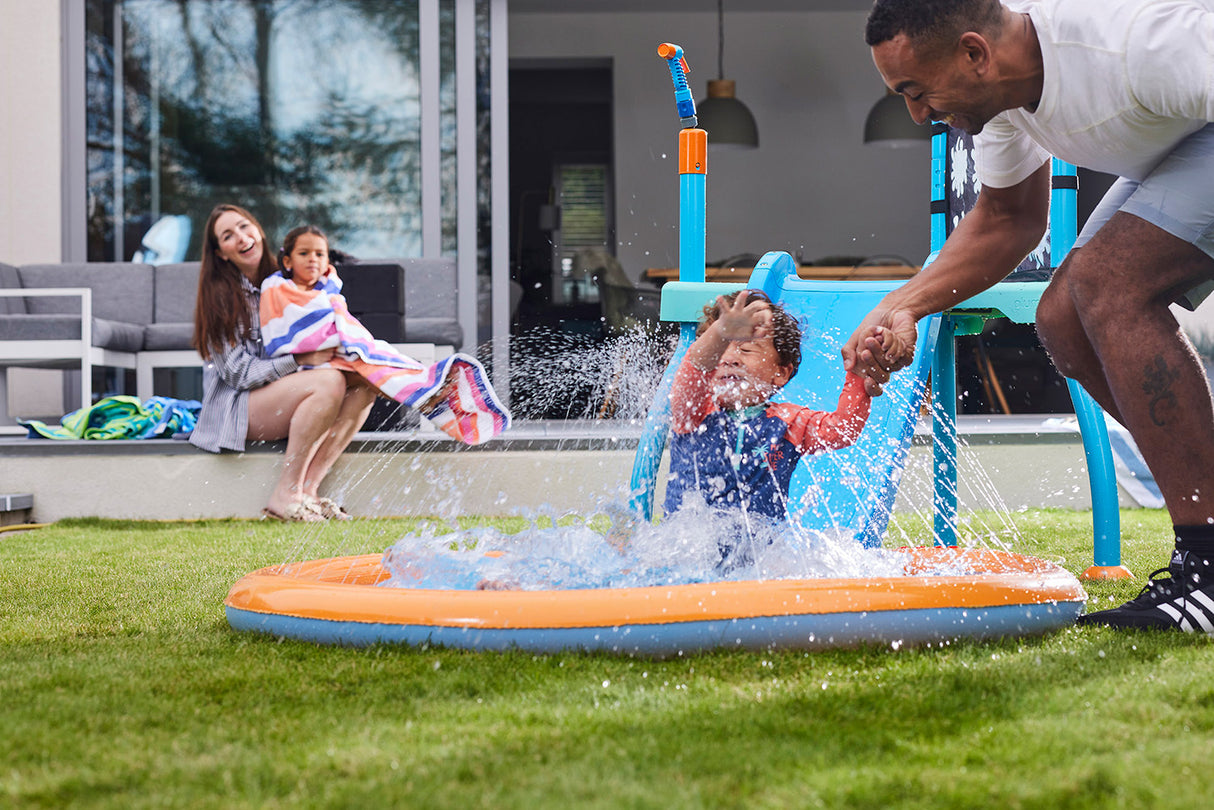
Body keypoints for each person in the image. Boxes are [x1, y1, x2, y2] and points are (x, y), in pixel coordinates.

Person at [846, 0, 1214, 631]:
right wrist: (897, 306)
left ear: (973, 54)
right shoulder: (999, 104)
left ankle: (1208, 571)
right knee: (1065, 318)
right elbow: (1007, 219)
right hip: (1186, 143)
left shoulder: (1141, 42)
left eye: (916, 90)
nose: (917, 114)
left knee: (1106, 283)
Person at [665, 290, 888, 567]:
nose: (731, 358)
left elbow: (841, 430)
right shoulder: (694, 414)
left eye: (746, 349)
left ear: (780, 373)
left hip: (757, 565)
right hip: (687, 560)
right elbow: (693, 370)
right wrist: (719, 333)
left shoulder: (788, 422)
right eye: (720, 348)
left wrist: (859, 374)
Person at [190, 204, 378, 522]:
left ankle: (308, 492)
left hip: (288, 389)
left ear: (259, 231)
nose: (241, 237)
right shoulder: (220, 296)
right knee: (329, 381)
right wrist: (298, 360)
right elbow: (237, 373)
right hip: (237, 406)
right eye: (228, 235)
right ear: (221, 252)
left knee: (365, 383)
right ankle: (284, 495)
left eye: (244, 226)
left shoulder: (288, 281)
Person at [261, 225, 510, 445]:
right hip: (304, 369)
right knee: (369, 362)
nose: (312, 259)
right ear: (287, 261)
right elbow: (289, 327)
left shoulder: (330, 291)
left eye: (319, 254)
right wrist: (337, 337)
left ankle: (427, 397)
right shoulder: (278, 288)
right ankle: (427, 395)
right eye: (303, 253)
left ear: (327, 261)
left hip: (337, 357)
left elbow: (342, 324)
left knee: (371, 365)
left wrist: (348, 338)